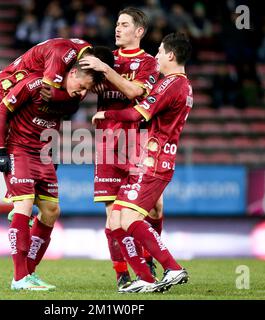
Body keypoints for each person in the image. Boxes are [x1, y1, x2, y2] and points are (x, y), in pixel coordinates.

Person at [0, 38, 112, 237]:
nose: (89, 91)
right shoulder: (61, 54)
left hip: (28, 89)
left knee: (28, 141)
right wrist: (2, 151)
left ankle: (18, 199)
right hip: (8, 85)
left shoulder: (81, 62)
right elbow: (48, 96)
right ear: (91, 64)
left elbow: (62, 106)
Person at [0, 62, 109, 291]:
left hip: (44, 155)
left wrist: (53, 148)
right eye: (82, 86)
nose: (82, 93)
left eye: (87, 91)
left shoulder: (69, 98)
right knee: (23, 206)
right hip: (20, 151)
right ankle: (19, 278)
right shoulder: (36, 83)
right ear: (72, 73)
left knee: (52, 211)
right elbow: (1, 110)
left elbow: (54, 122)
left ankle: (29, 272)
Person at [91, 32, 192, 293]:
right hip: (152, 159)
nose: (156, 56)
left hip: (152, 161)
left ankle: (172, 268)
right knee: (118, 218)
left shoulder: (170, 84)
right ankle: (145, 278)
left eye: (159, 51)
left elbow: (138, 112)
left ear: (171, 55)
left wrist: (106, 113)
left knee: (128, 218)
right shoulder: (182, 85)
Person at [79, 7, 163, 290]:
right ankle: (123, 275)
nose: (117, 29)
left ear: (139, 31)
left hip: (138, 142)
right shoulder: (106, 58)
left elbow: (134, 92)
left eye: (124, 25)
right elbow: (82, 84)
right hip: (106, 143)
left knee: (152, 209)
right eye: (116, 24)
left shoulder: (150, 63)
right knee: (112, 213)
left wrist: (106, 71)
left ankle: (149, 257)